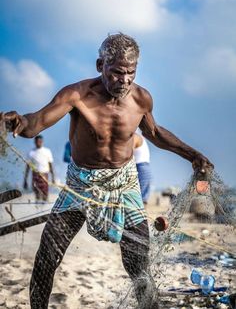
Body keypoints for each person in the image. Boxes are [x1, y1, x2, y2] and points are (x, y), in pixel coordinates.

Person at [0, 33, 213, 309]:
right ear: (101, 65)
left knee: (138, 264)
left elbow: (156, 133)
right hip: (80, 185)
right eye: (116, 73)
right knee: (47, 257)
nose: (124, 81)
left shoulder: (141, 99)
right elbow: (36, 122)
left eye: (131, 73)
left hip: (124, 184)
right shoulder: (76, 95)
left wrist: (193, 156)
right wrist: (18, 122)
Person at [23, 135, 55, 202]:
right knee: (36, 190)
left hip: (44, 174)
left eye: (40, 141)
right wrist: (25, 180)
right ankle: (37, 203)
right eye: (37, 141)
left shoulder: (47, 151)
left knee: (45, 192)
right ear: (34, 142)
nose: (38, 143)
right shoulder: (31, 153)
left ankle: (45, 202)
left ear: (42, 142)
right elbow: (28, 167)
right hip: (35, 175)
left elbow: (51, 165)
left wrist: (53, 178)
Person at [133, 133, 152, 204]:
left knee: (141, 200)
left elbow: (127, 153)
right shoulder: (136, 136)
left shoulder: (135, 136)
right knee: (141, 200)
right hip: (141, 167)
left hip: (140, 167)